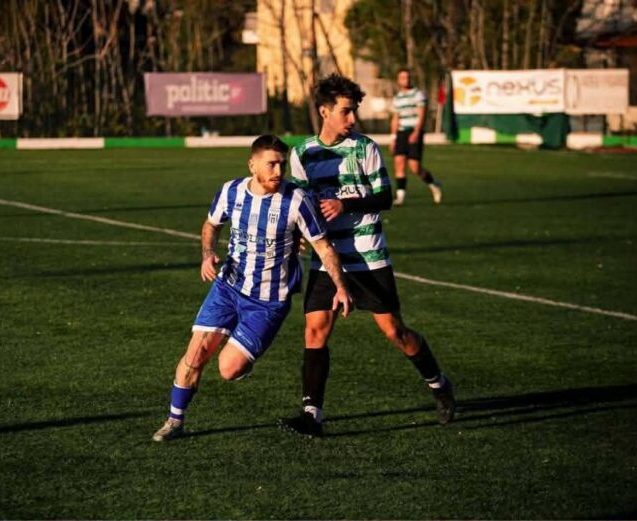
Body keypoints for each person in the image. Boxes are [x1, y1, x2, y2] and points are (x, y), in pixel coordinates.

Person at [279, 74, 455, 438]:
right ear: (324, 112)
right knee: (315, 330)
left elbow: (385, 197)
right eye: (345, 111)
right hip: (328, 259)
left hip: (368, 258)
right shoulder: (302, 154)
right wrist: (297, 236)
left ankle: (438, 383)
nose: (352, 118)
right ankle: (312, 414)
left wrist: (344, 204)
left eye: (354, 111)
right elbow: (299, 205)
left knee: (395, 331)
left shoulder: (365, 148)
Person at [152, 134, 353, 442]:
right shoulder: (230, 191)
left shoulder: (297, 200)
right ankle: (174, 421)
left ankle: (241, 358)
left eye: (282, 164)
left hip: (268, 301)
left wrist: (340, 285)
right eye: (271, 164)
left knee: (228, 369)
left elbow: (323, 247)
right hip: (228, 287)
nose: (278, 171)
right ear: (252, 164)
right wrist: (208, 253)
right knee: (196, 352)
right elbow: (211, 224)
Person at [389, 68, 442, 206]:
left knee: (414, 167)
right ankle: (400, 197)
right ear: (398, 80)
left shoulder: (418, 94)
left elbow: (421, 114)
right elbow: (395, 118)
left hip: (414, 131)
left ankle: (433, 183)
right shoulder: (397, 98)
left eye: (407, 77)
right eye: (402, 77)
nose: (405, 80)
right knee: (399, 162)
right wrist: (393, 137)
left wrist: (417, 132)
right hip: (401, 132)